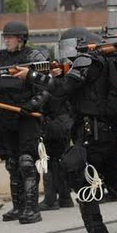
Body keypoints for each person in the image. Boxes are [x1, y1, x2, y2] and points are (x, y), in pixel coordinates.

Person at [15, 27, 117, 233]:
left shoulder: (86, 61)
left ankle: (97, 230)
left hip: (94, 132)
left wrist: (32, 76)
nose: (67, 51)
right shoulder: (102, 62)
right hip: (106, 130)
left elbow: (63, 89)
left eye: (69, 45)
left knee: (76, 172)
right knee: (116, 178)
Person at [0, 20, 48, 224]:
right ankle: (18, 207)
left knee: (26, 163)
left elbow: (46, 89)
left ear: (21, 38)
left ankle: (32, 209)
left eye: (10, 37)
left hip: (27, 118)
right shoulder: (0, 57)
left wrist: (32, 104)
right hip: (6, 117)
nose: (6, 40)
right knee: (12, 163)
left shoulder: (33, 57)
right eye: (5, 37)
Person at [38, 68, 74, 210]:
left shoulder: (52, 84)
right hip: (63, 124)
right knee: (59, 162)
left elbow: (42, 103)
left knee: (50, 161)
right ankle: (65, 197)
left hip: (55, 126)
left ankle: (51, 199)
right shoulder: (66, 82)